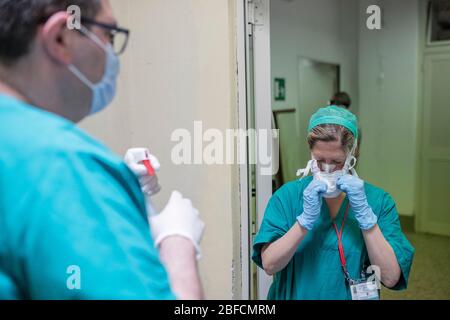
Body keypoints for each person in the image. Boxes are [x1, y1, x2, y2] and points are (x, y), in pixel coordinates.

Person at [0, 0, 204, 299]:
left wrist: (109, 198)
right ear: (60, 37)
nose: (111, 53)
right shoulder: (63, 163)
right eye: (108, 35)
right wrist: (178, 246)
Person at [252, 105, 414, 300]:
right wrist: (303, 223)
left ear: (353, 155)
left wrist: (367, 220)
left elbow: (389, 277)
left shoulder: (378, 202)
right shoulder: (288, 197)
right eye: (320, 160)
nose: (327, 169)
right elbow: (269, 265)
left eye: (336, 161)